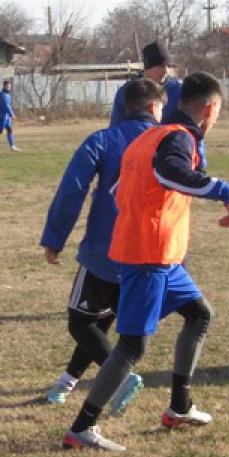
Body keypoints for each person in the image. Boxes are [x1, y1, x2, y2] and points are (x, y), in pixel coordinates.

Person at [63, 72, 229, 452]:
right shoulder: (178, 137)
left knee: (199, 314)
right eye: (218, 112)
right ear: (210, 109)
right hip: (149, 254)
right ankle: (82, 427)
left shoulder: (150, 135)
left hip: (160, 254)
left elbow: (126, 188)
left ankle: (180, 406)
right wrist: (224, 191)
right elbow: (170, 173)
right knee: (132, 346)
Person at [40, 79, 166, 414]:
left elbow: (72, 190)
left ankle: (120, 378)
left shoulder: (103, 140)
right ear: (154, 108)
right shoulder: (170, 141)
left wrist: (54, 238)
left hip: (106, 251)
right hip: (152, 254)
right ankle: (67, 381)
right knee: (101, 321)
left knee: (80, 323)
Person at [110, 41, 182, 126]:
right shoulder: (127, 92)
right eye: (161, 66)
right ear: (147, 67)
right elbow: (116, 126)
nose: (166, 71)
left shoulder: (177, 90)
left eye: (168, 66)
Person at [0, 80, 19, 152]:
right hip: (2, 116)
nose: (9, 88)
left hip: (6, 117)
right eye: (8, 86)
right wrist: (12, 114)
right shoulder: (3, 95)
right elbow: (6, 106)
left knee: (10, 130)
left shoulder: (7, 95)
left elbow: (8, 106)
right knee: (0, 131)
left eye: (10, 86)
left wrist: (10, 114)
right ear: (4, 86)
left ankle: (12, 147)